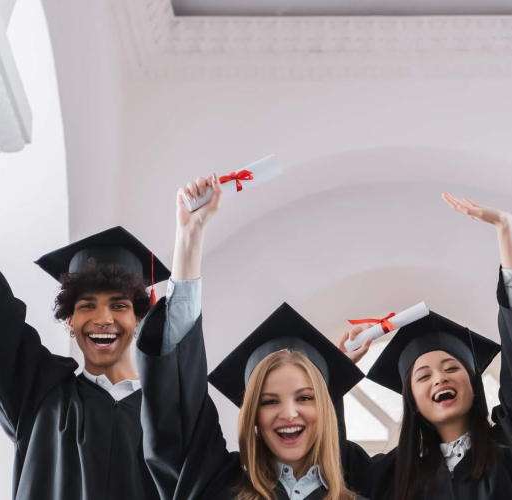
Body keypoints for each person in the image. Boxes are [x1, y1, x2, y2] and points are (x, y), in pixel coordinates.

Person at [0, 108, 161, 499]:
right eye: (86, 306)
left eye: (118, 305)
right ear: (68, 320)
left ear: (138, 317)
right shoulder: (39, 391)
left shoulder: (166, 415)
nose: (103, 319)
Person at [136, 175, 364, 500]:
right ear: (252, 415)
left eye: (304, 397)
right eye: (270, 401)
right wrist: (190, 236)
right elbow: (175, 408)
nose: (288, 413)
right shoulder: (215, 487)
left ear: (326, 408)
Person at [340, 194, 512, 500]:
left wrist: (506, 229)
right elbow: (325, 460)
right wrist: (334, 373)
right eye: (423, 376)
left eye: (452, 368)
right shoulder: (393, 475)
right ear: (411, 399)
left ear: (473, 384)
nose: (440, 378)